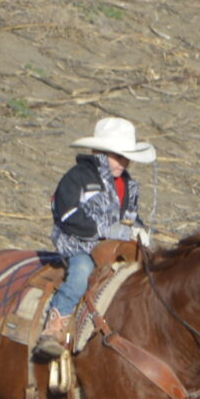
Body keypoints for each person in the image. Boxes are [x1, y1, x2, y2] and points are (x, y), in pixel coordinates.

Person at [37, 116, 155, 361]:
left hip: (116, 248)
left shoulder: (129, 185)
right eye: (117, 156)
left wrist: (138, 230)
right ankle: (54, 327)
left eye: (125, 157)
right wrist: (107, 230)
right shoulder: (77, 177)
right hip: (78, 244)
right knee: (81, 271)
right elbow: (68, 215)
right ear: (99, 152)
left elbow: (131, 216)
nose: (123, 162)